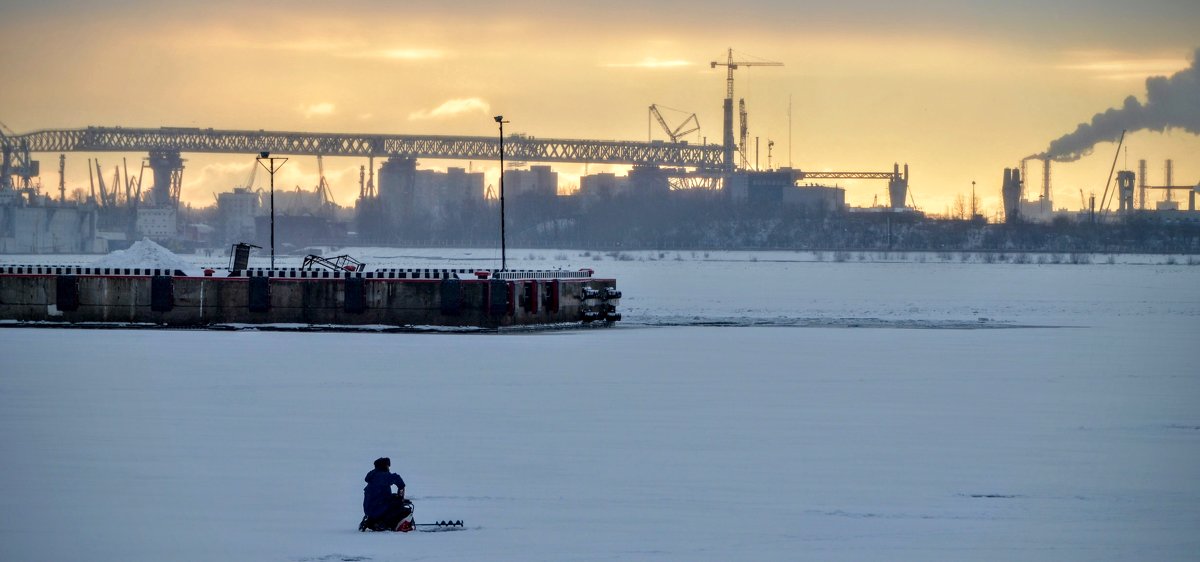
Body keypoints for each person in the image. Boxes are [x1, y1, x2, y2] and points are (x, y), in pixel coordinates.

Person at [360, 457, 414, 532]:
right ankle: (391, 524)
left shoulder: (373, 476)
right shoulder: (382, 476)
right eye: (388, 466)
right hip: (378, 508)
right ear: (384, 466)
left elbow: (379, 494)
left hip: (370, 509)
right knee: (402, 507)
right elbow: (397, 479)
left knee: (394, 500)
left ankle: (378, 522)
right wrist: (400, 495)